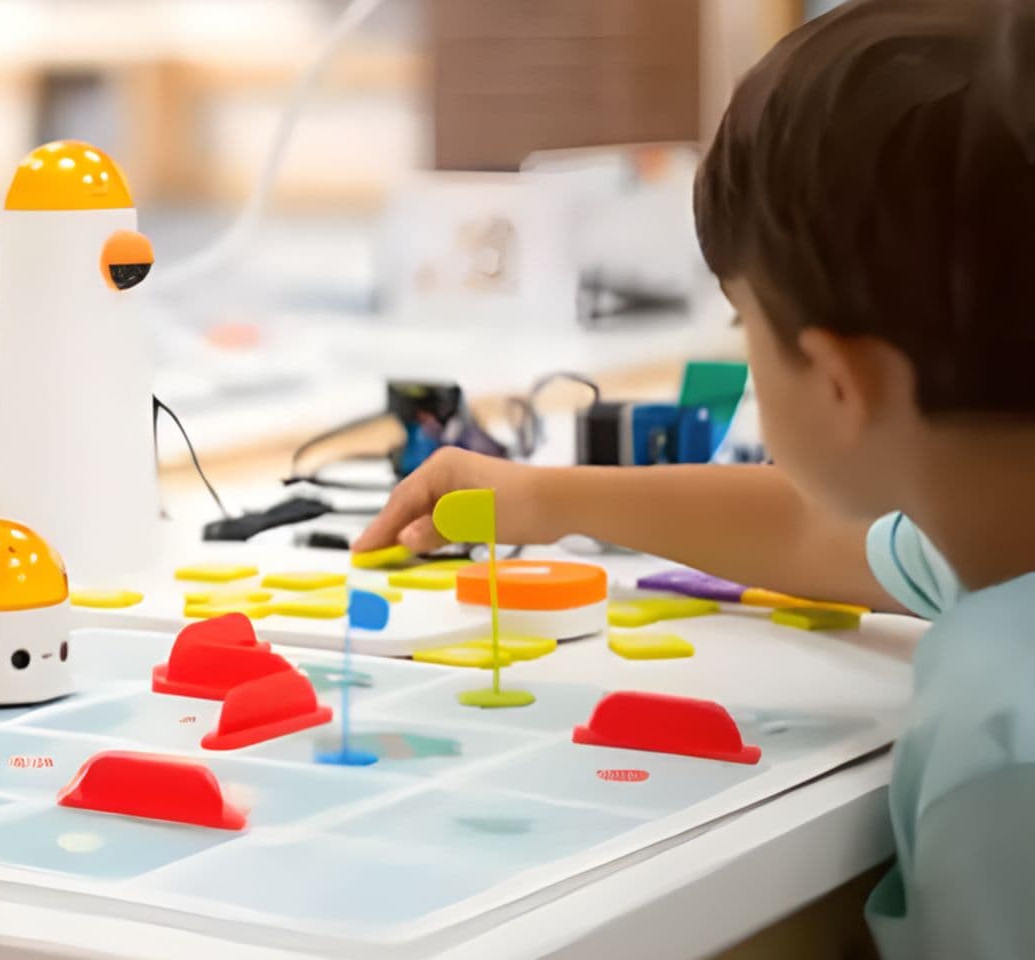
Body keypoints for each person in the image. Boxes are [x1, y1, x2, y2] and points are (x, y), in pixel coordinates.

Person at [353, 2, 1035, 956]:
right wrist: (547, 497)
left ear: (838, 382)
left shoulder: (1006, 750)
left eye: (743, 328)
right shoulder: (998, 534)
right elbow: (807, 533)